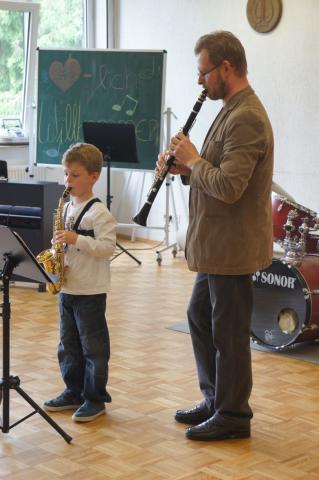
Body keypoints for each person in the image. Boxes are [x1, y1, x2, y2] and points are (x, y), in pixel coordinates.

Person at [158, 31, 274, 440]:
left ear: (227, 67)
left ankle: (233, 415)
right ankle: (214, 399)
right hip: (217, 247)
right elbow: (215, 171)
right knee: (200, 318)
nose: (199, 81)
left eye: (203, 72)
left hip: (233, 248)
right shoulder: (230, 108)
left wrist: (193, 159)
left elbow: (229, 186)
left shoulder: (247, 117)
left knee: (229, 332)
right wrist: (185, 167)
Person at [43, 143, 117, 422]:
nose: (68, 181)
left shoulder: (100, 213)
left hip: (90, 290)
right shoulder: (66, 207)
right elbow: (65, 241)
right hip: (69, 288)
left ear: (94, 177)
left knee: (94, 348)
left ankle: (95, 398)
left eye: (75, 175)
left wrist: (77, 240)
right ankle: (72, 390)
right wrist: (57, 245)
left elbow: (108, 248)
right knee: (68, 344)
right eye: (66, 174)